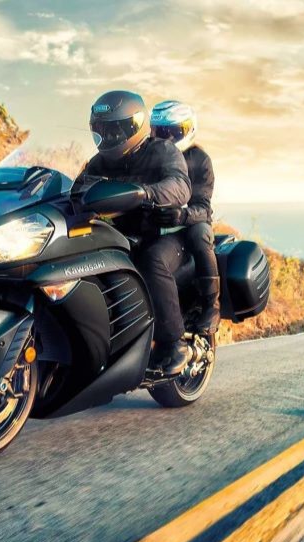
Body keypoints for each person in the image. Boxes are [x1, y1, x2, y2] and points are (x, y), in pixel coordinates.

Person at [75, 90, 193, 376]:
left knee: (152, 261)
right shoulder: (100, 162)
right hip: (123, 235)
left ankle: (174, 344)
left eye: (113, 130)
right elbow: (78, 189)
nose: (107, 137)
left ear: (132, 126)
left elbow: (180, 186)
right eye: (101, 131)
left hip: (166, 234)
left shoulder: (163, 151)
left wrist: (146, 193)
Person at [148, 100, 220, 336]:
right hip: (153, 226)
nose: (167, 139)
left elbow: (203, 208)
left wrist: (182, 215)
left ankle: (211, 306)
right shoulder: (149, 156)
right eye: (160, 132)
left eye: (174, 132)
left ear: (188, 130)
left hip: (186, 228)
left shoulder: (199, 160)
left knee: (201, 233)